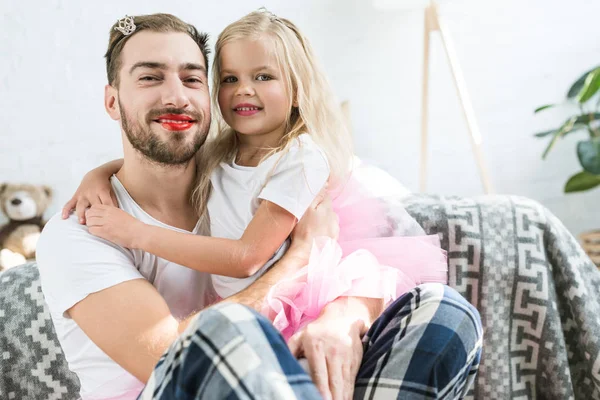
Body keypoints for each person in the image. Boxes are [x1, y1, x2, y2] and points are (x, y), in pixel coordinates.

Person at [37, 12, 482, 400]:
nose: (176, 96)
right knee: (225, 330)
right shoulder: (81, 229)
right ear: (112, 101)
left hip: (281, 373)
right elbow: (173, 355)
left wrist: (343, 316)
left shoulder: (246, 169)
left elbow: (370, 252)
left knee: (446, 313)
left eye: (193, 78)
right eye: (150, 77)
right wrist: (300, 256)